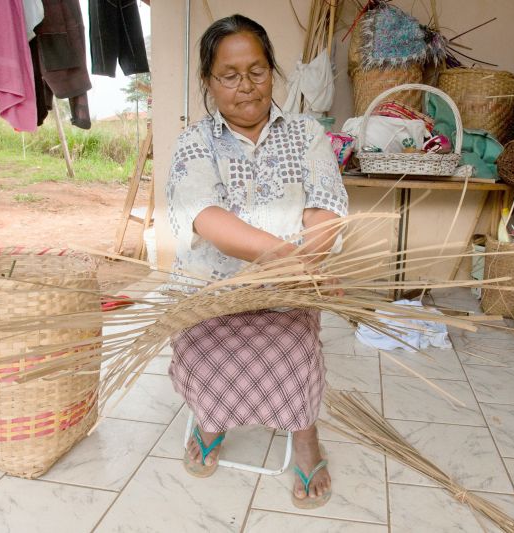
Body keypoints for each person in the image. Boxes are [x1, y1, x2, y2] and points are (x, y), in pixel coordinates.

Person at [165, 14, 348, 509]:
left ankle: (304, 435)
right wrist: (288, 259)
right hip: (210, 293)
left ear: (273, 72)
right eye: (229, 75)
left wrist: (301, 268)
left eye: (257, 71)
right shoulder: (194, 142)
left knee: (296, 349)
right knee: (202, 353)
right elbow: (205, 218)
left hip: (286, 298)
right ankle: (211, 419)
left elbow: (325, 209)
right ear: (209, 81)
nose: (245, 87)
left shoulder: (307, 134)